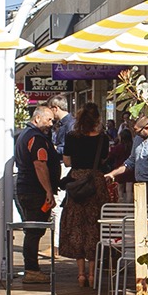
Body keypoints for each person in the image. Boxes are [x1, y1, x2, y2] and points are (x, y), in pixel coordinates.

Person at [56, 103, 111, 283]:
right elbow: (104, 159)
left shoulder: (72, 137)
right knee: (95, 226)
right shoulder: (102, 138)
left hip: (77, 182)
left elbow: (67, 162)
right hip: (96, 183)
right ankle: (93, 273)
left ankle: (80, 273)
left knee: (77, 225)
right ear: (97, 119)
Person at [14, 102, 58, 274]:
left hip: (26, 188)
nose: (51, 124)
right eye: (48, 120)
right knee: (34, 230)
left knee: (33, 230)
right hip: (34, 191)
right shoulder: (36, 138)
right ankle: (31, 270)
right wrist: (48, 190)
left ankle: (32, 268)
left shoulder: (25, 134)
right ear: (37, 118)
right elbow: (40, 165)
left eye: (52, 121)